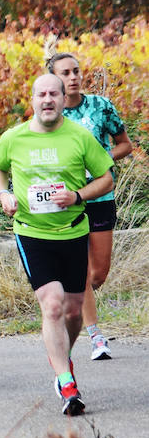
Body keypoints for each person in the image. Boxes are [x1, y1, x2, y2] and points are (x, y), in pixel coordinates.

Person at [0, 74, 113, 416]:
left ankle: (64, 357)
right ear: (32, 99)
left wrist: (77, 195)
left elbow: (106, 177)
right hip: (32, 232)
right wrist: (4, 194)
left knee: (74, 312)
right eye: (41, 94)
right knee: (53, 305)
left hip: (74, 231)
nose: (47, 100)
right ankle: (65, 381)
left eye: (53, 94)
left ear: (62, 99)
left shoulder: (80, 136)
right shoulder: (15, 137)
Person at [47, 52, 130, 361]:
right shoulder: (51, 113)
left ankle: (75, 302)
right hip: (67, 202)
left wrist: (99, 163)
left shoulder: (100, 107)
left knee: (98, 273)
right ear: (55, 79)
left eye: (76, 71)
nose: (73, 77)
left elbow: (125, 144)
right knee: (81, 272)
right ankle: (96, 336)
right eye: (66, 73)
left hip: (101, 197)